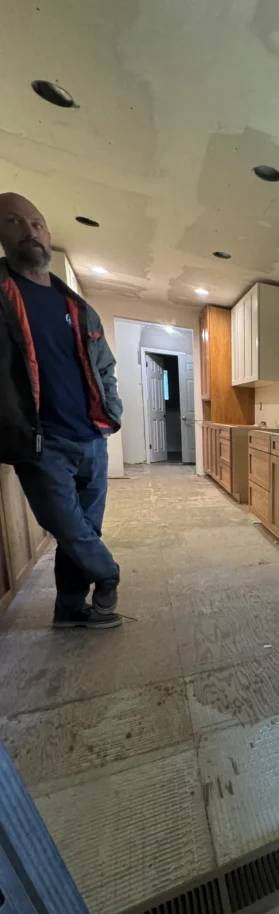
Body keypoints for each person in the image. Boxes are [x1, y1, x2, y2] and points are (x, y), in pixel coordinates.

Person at [0, 192, 123, 628]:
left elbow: (104, 366)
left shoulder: (77, 306)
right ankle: (108, 575)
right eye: (14, 222)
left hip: (92, 439)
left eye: (36, 223)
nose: (29, 230)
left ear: (48, 233)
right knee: (71, 528)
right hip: (40, 442)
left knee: (85, 530)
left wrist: (111, 413)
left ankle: (69, 609)